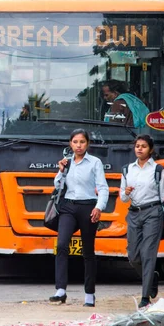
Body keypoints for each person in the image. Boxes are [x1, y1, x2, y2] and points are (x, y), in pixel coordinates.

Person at [50, 129, 109, 307]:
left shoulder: (95, 162)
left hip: (88, 206)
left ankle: (89, 294)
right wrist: (61, 171)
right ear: (70, 144)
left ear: (87, 144)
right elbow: (58, 186)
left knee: (88, 251)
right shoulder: (67, 163)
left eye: (82, 142)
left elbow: (103, 188)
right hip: (68, 206)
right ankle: (60, 290)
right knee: (61, 245)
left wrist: (99, 207)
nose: (78, 145)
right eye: (75, 142)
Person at [120, 135, 164, 308]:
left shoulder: (158, 170)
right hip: (133, 212)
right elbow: (123, 198)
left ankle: (145, 296)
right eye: (137, 146)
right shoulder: (127, 169)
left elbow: (163, 196)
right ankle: (152, 277)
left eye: (144, 146)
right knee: (133, 256)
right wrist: (126, 192)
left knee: (147, 254)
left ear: (151, 149)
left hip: (153, 212)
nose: (139, 149)